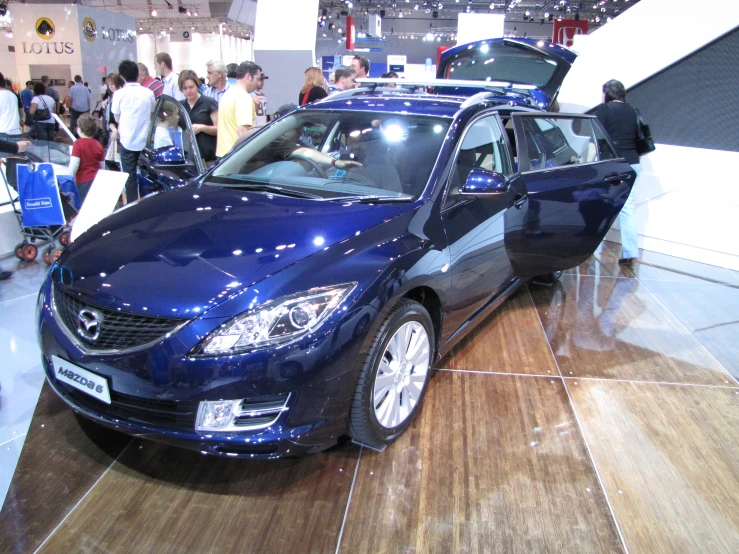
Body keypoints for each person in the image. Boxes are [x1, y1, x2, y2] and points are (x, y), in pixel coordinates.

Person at [595, 79, 642, 268]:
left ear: (607, 93)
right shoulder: (633, 110)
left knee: (597, 203)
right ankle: (631, 252)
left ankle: (589, 247)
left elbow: (597, 139)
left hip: (612, 164)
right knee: (627, 208)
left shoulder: (604, 111)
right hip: (632, 163)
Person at [111, 60, 155, 203]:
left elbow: (116, 117)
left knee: (129, 177)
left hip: (127, 141)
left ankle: (131, 205)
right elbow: (152, 113)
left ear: (122, 77)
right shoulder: (148, 93)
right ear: (137, 74)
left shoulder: (119, 94)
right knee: (150, 173)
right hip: (146, 141)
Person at [216, 61, 262, 159]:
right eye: (257, 79)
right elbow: (242, 132)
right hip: (236, 157)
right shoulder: (243, 98)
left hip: (222, 154)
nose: (258, 83)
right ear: (249, 76)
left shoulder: (228, 94)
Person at [179, 70, 218, 161]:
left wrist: (202, 128)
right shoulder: (180, 106)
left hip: (209, 156)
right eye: (185, 88)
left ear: (197, 86)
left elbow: (219, 129)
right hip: (188, 156)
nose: (188, 91)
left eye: (191, 87)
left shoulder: (209, 103)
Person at [69, 114, 104, 202]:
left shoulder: (78, 144)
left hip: (82, 180)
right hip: (96, 178)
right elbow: (102, 165)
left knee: (83, 203)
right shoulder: (98, 144)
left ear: (79, 129)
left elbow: (74, 164)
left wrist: (69, 178)